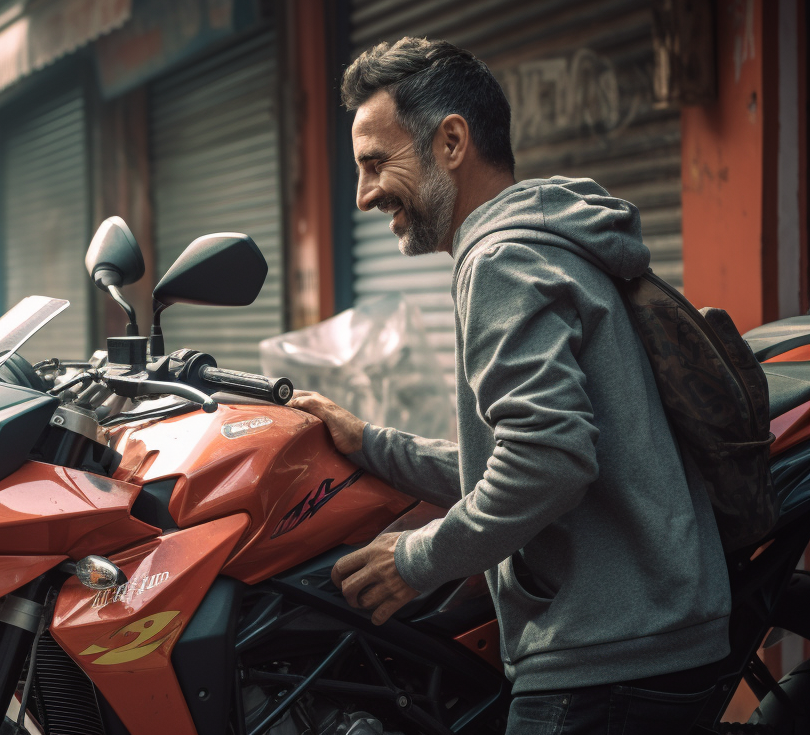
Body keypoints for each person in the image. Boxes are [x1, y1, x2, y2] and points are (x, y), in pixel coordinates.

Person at [287, 37, 729, 733]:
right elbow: (527, 455)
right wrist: (372, 442)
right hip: (651, 630)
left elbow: (549, 461)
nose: (366, 194)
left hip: (606, 657)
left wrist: (416, 559)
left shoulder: (500, 260)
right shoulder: (545, 239)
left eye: (377, 164)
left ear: (452, 143)